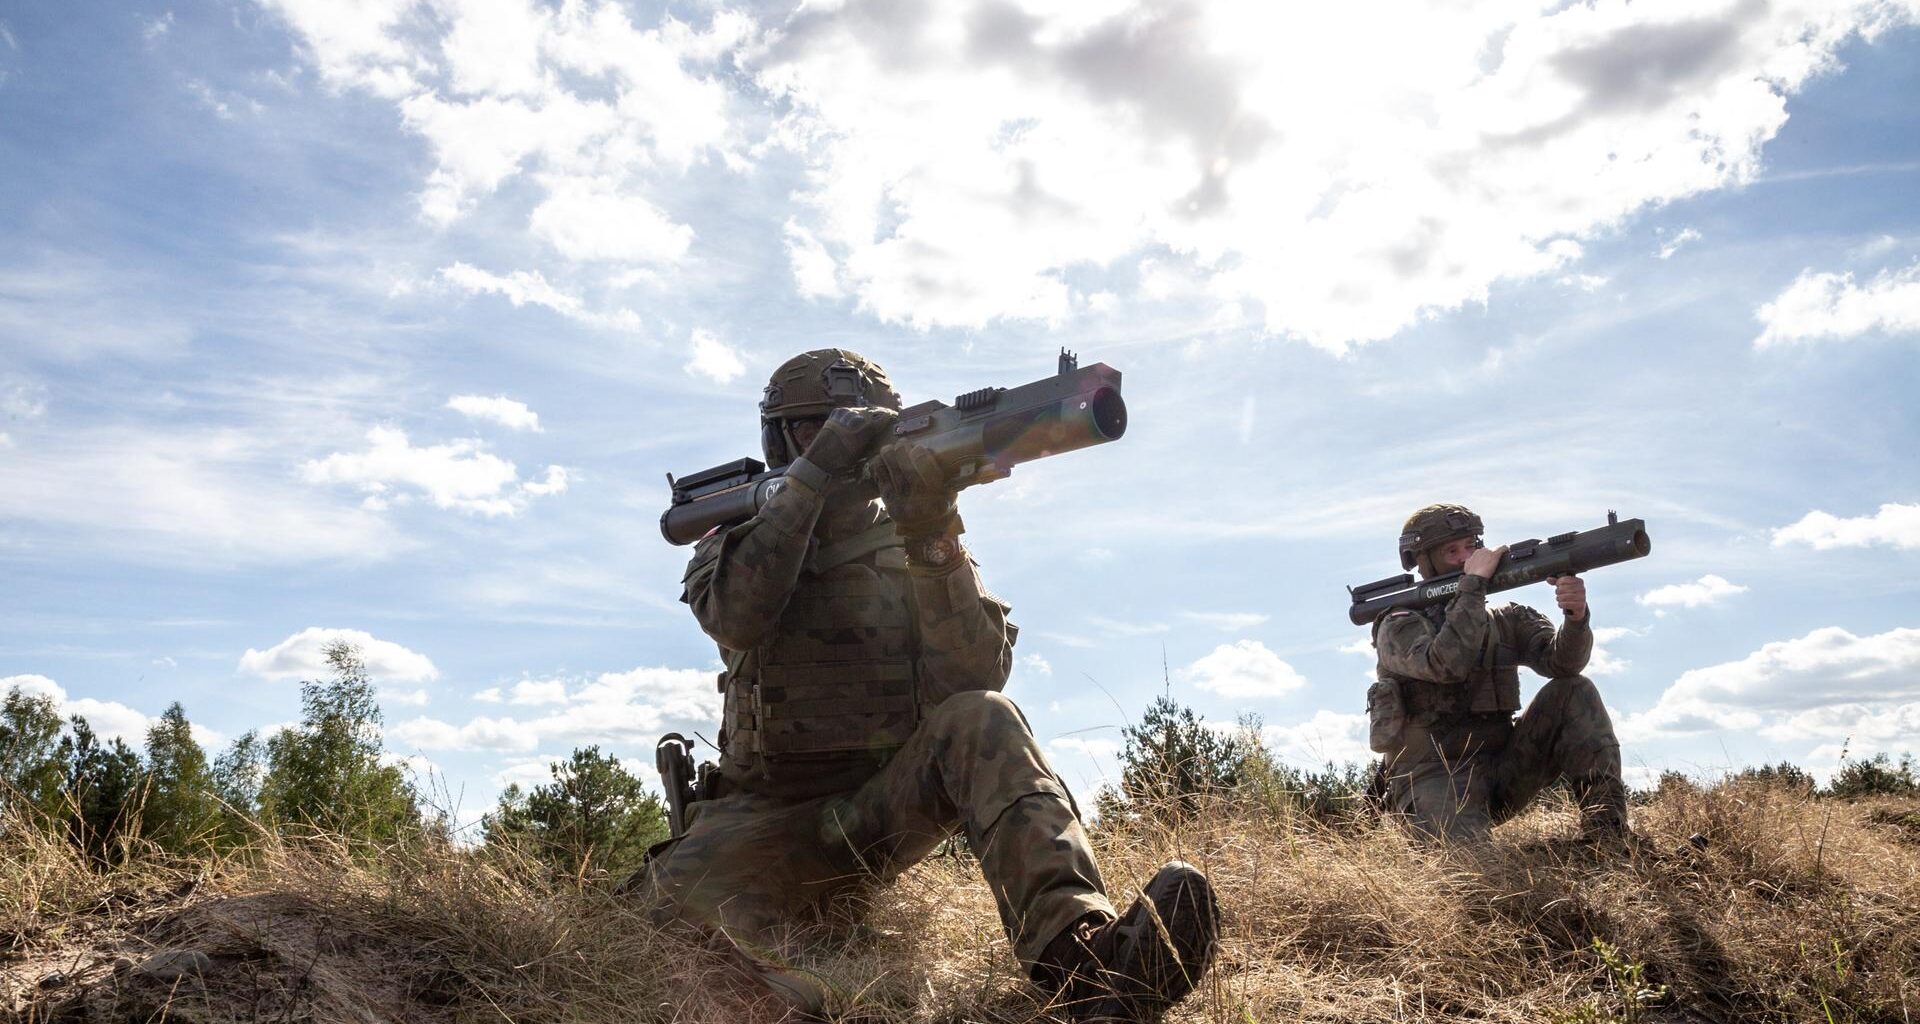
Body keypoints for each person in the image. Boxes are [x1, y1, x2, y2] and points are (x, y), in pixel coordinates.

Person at [633, 349, 1218, 1022]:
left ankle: (1085, 969)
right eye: (823, 429)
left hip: (869, 815)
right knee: (657, 934)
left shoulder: (906, 535)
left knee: (983, 715)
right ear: (788, 437)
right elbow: (737, 617)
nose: (850, 443)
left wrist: (931, 527)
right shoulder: (738, 532)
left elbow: (972, 680)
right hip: (756, 824)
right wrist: (817, 475)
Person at [1367, 503, 1629, 846]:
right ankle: (1542, 858)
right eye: (1452, 551)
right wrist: (1473, 586)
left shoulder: (1508, 618)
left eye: (1472, 546)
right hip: (1431, 778)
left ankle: (1609, 838)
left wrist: (1576, 617)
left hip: (1502, 771)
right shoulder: (1399, 624)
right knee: (1475, 879)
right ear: (1425, 560)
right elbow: (1445, 663)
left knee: (1574, 690)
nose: (1467, 558)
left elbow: (1563, 665)